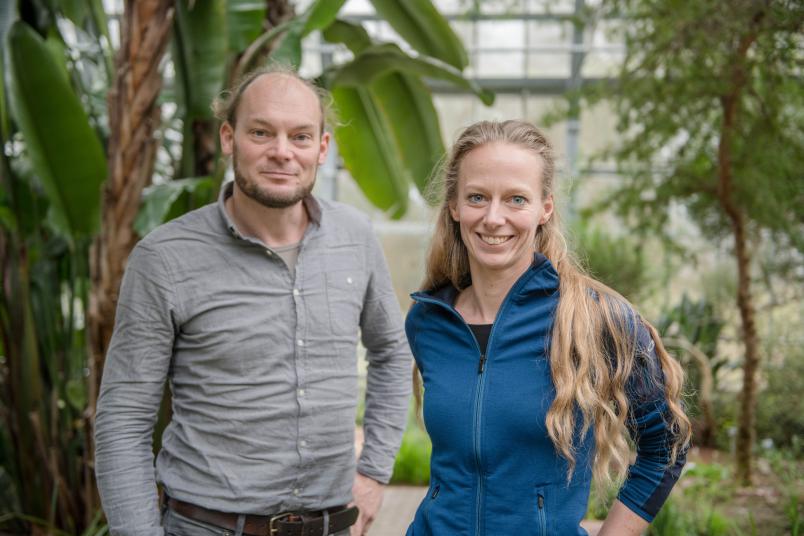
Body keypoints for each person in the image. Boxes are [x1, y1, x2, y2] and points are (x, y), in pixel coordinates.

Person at [94, 66, 412, 536]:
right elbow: (123, 418)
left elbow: (391, 352)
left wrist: (372, 472)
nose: (282, 152)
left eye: (300, 136)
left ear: (322, 148)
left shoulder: (356, 238)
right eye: (262, 132)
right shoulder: (164, 258)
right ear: (229, 137)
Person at [405, 120, 691, 535]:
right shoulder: (430, 321)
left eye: (516, 199)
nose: (493, 217)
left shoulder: (595, 319)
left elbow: (666, 444)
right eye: (477, 197)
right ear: (454, 206)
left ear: (545, 208)